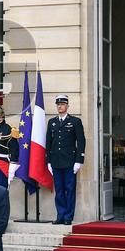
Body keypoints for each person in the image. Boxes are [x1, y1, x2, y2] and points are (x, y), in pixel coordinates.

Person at [45, 94, 87, 225]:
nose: (60, 106)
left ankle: (68, 217)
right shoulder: (52, 122)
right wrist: (48, 161)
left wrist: (79, 161)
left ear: (67, 106)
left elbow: (81, 141)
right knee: (59, 190)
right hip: (56, 162)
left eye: (62, 104)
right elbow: (49, 142)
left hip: (70, 162)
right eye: (58, 104)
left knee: (70, 190)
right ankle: (60, 215)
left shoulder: (75, 122)